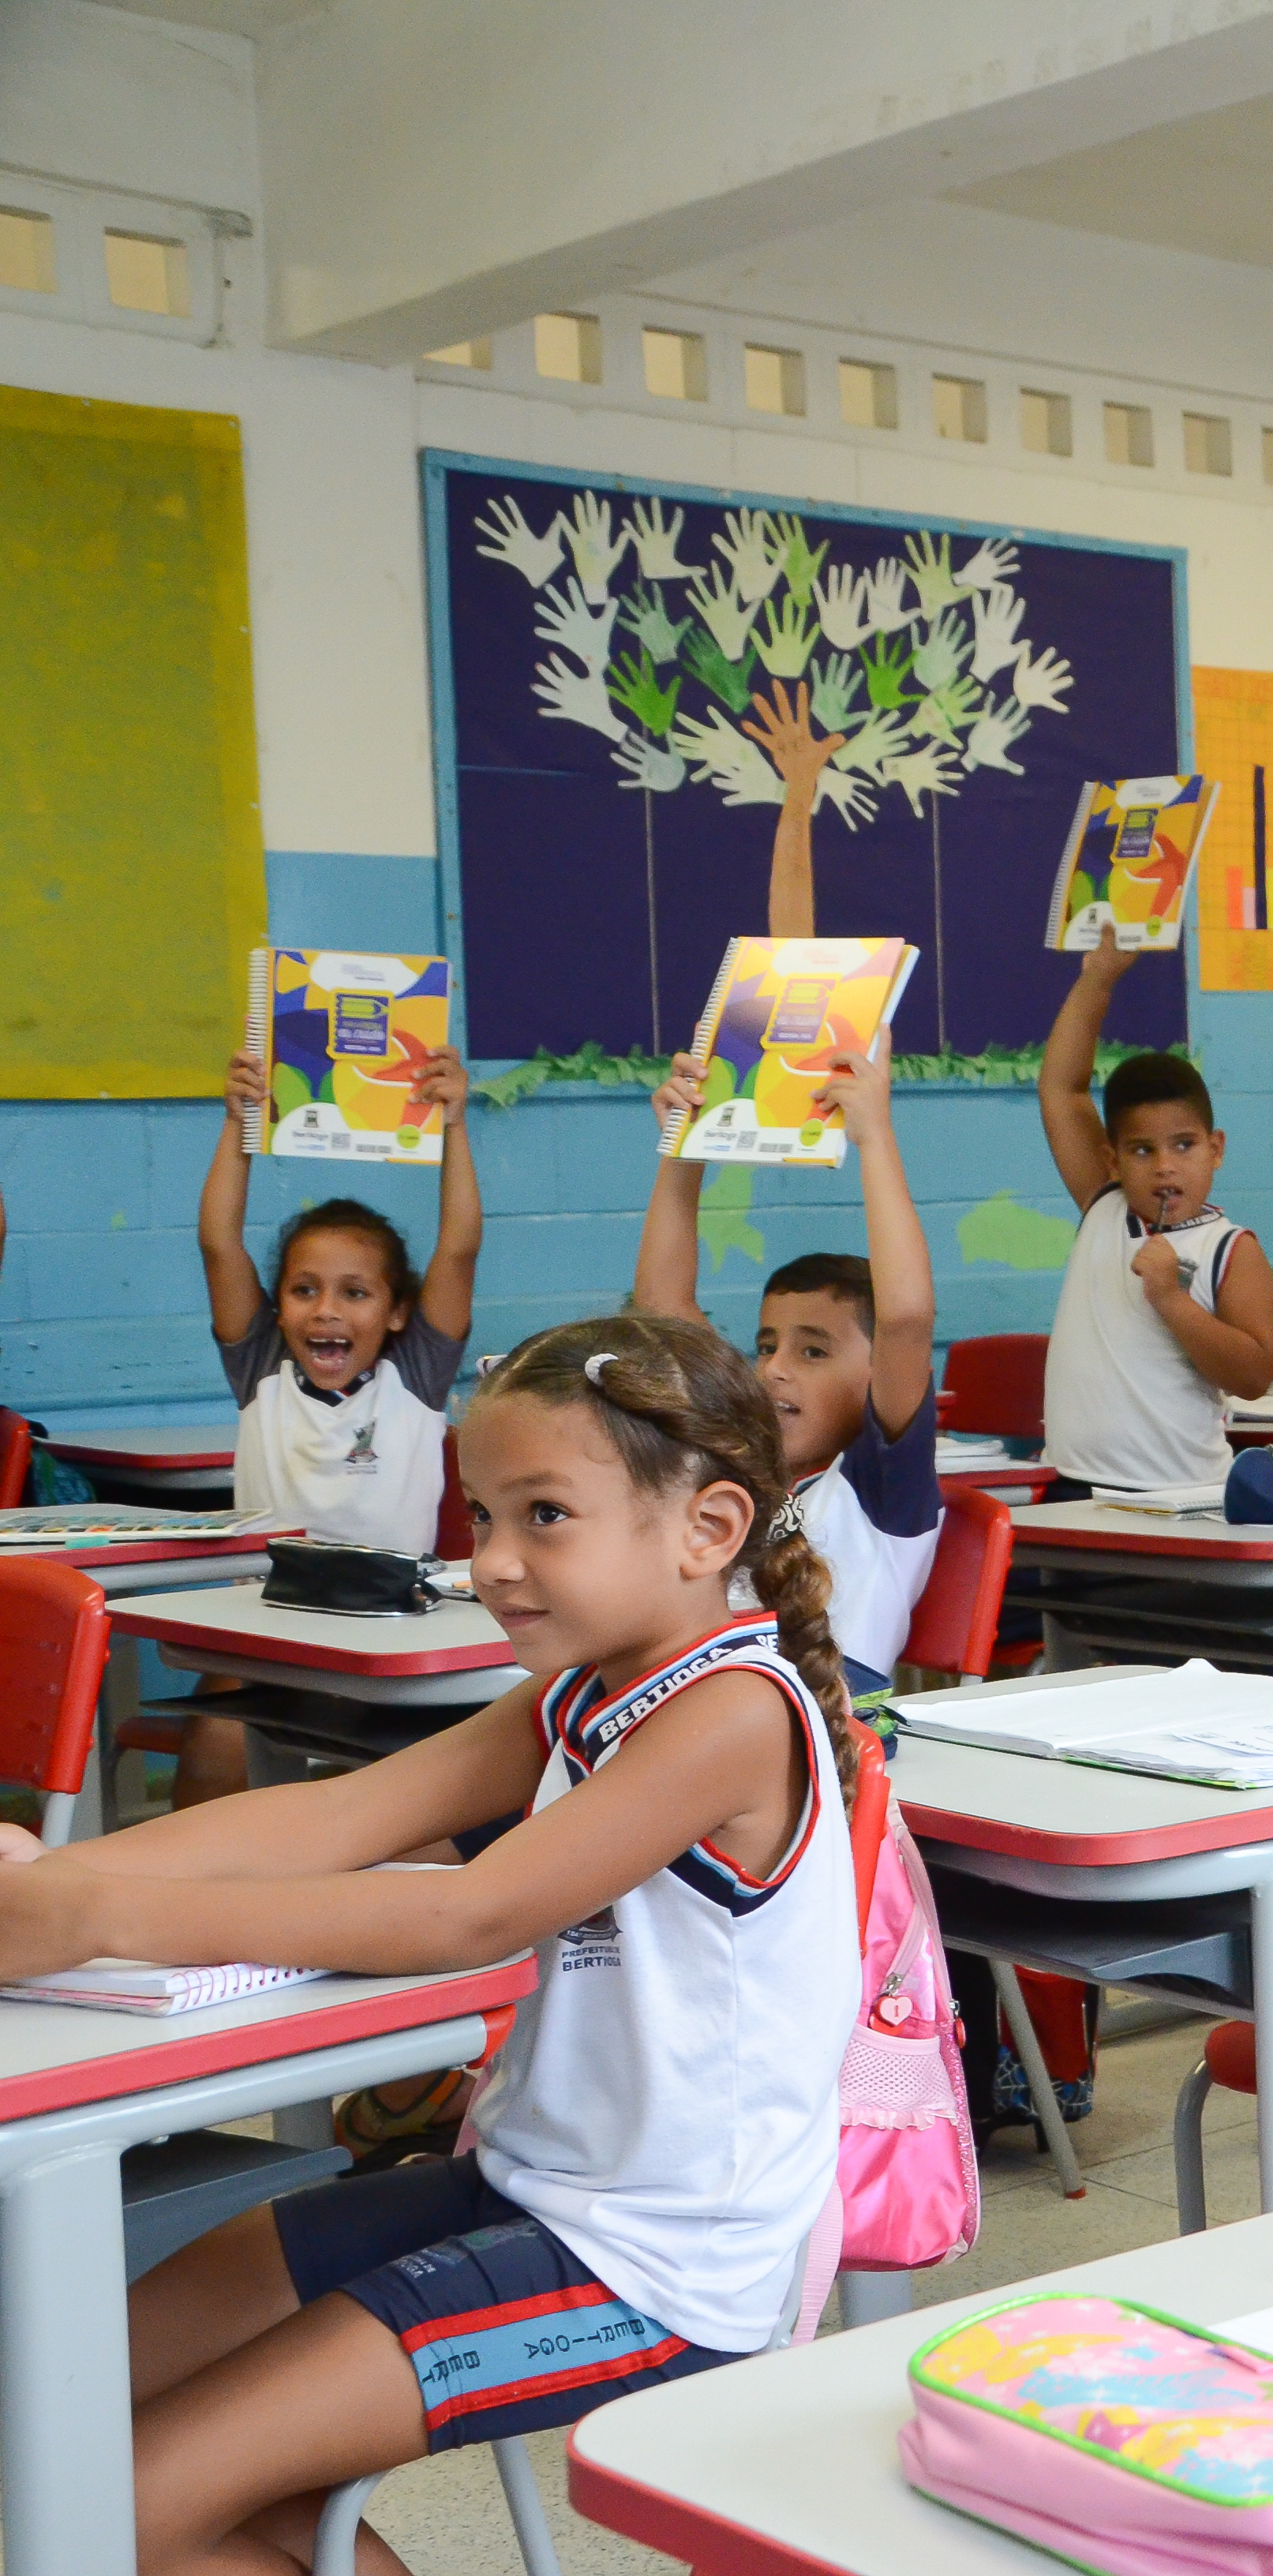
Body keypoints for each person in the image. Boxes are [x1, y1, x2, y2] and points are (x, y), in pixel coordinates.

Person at [4, 1316, 857, 2574]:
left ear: (710, 1531)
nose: (495, 1563)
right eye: (480, 1517)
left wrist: (96, 1918)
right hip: (517, 2189)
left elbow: (472, 1913)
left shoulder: (733, 1710)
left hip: (656, 2271)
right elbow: (341, 1814)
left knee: (108, 2509)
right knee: (59, 2414)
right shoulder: (582, 1690)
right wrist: (57, 1875)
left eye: (544, 1516)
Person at [196, 1037, 484, 1810]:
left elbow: (458, 1247)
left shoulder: (413, 1378)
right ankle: (193, 1910)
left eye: (355, 1293)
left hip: (391, 1623)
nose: (326, 1310)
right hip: (263, 1619)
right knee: (220, 1739)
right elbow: (219, 1241)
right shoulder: (260, 1368)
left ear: (395, 1313)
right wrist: (238, 1126)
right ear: (279, 1304)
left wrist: (454, 1126)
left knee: (383, 1788)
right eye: (304, 1289)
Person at [635, 1042, 940, 1698]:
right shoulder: (743, 1469)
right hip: (712, 1702)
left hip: (824, 1730)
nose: (773, 1369)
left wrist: (876, 1138)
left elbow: (907, 1316)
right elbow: (663, 1307)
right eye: (766, 1344)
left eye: (813, 1351)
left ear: (876, 1370)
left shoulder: (876, 1490)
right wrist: (685, 1144)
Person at [1034, 930, 1273, 1496]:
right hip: (1071, 1482)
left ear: (1216, 1148)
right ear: (1112, 1159)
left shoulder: (1231, 1248)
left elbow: (1254, 1377)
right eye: (1143, 1151)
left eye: (1184, 1146)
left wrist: (1171, 1299)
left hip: (1177, 1496)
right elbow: (1061, 1090)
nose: (1165, 1167)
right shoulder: (1104, 1202)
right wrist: (1098, 977)